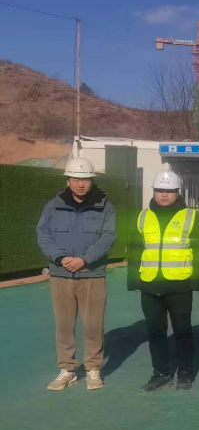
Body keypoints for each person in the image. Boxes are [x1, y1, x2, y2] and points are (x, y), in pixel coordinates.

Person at [37, 157, 116, 391]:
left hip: (92, 274)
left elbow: (108, 237)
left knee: (93, 325)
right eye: (75, 179)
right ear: (68, 181)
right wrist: (60, 258)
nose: (80, 184)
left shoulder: (105, 207)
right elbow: (43, 234)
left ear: (92, 181)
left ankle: (92, 368)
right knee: (63, 325)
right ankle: (67, 370)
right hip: (61, 273)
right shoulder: (52, 206)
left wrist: (84, 259)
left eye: (85, 179)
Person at [127, 170, 199, 392]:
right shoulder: (143, 216)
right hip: (150, 284)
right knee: (155, 333)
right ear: (154, 192)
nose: (164, 194)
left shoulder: (191, 216)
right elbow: (135, 249)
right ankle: (160, 373)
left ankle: (185, 373)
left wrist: (197, 282)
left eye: (169, 191)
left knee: (182, 331)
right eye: (160, 190)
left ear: (177, 192)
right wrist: (134, 281)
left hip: (179, 285)